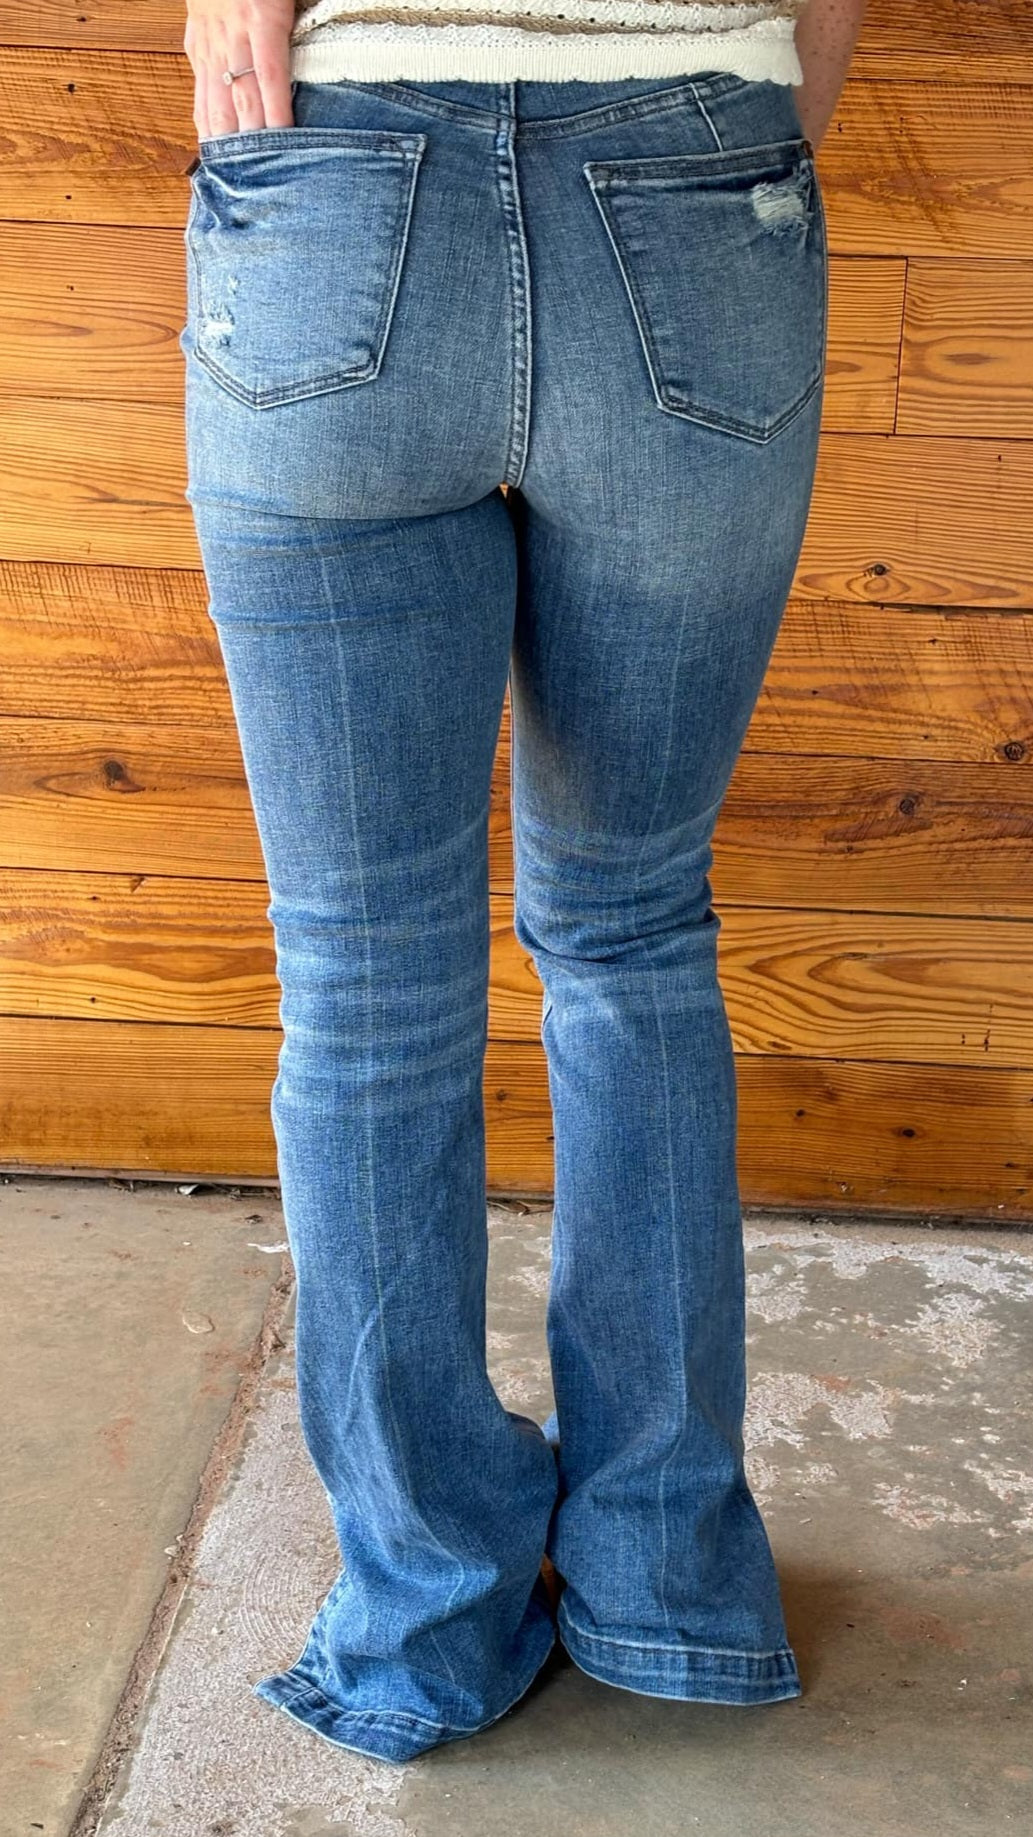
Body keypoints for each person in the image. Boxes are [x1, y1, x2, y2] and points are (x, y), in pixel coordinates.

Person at [180, 0, 866, 1768]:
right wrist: (744, 129)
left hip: (336, 177)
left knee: (362, 979)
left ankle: (425, 1607)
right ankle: (665, 1575)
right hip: (694, 174)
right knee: (632, 927)